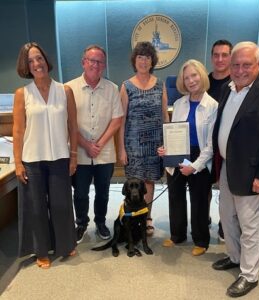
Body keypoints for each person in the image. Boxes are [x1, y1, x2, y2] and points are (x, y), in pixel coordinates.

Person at [211, 41, 259, 297]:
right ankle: (234, 257)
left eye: (246, 65)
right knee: (228, 218)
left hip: (252, 174)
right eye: (236, 65)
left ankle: (249, 275)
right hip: (227, 168)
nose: (240, 70)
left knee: (252, 227)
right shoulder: (227, 89)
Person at [13, 42, 77, 269]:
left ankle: (65, 244)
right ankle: (41, 251)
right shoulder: (23, 94)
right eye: (30, 61)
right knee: (37, 207)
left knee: (61, 205)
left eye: (38, 58)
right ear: (26, 66)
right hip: (32, 160)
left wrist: (74, 156)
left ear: (45, 60)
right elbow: (18, 131)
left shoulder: (65, 90)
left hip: (60, 157)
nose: (36, 64)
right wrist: (18, 162)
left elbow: (72, 126)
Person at [158, 59, 218, 256]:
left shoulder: (212, 106)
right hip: (179, 153)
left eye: (194, 75)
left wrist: (195, 166)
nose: (191, 80)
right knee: (175, 195)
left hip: (200, 156)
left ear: (201, 76)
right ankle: (178, 235)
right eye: (186, 77)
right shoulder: (179, 103)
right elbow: (174, 132)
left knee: (199, 199)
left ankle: (201, 239)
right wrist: (165, 149)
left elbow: (211, 145)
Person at [66, 45, 123, 243]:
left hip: (104, 153)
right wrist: (85, 145)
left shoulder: (112, 89)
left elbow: (117, 119)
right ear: (83, 62)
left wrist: (98, 143)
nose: (95, 65)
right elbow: (67, 122)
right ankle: (81, 223)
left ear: (104, 66)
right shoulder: (69, 88)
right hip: (79, 153)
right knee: (80, 192)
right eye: (92, 60)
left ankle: (100, 222)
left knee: (103, 192)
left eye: (100, 62)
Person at [118, 41, 169, 236]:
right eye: (140, 57)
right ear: (135, 60)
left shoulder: (160, 85)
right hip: (134, 144)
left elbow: (165, 116)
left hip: (155, 145)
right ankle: (133, 216)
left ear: (152, 61)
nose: (144, 61)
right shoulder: (126, 86)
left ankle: (147, 218)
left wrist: (168, 144)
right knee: (135, 184)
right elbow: (122, 120)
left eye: (147, 57)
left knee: (149, 182)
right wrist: (122, 149)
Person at [208, 39, 233, 242]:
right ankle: (203, 217)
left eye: (225, 55)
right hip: (207, 145)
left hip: (228, 146)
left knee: (226, 190)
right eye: (216, 55)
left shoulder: (237, 83)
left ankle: (225, 226)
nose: (220, 59)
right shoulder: (204, 82)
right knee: (203, 187)